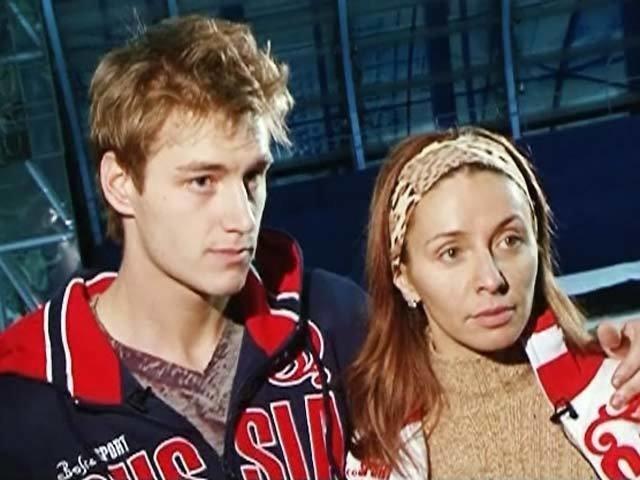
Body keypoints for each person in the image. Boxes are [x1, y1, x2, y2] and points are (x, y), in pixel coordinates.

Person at [0, 15, 365, 479]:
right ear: (120, 184)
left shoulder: (333, 321)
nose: (242, 218)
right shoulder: (22, 407)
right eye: (202, 181)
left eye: (252, 177)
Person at [345, 126, 640, 480]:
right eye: (451, 252)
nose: (491, 279)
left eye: (509, 240)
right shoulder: (376, 454)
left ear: (538, 245)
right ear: (403, 275)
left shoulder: (618, 385)